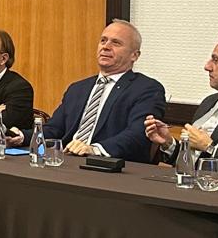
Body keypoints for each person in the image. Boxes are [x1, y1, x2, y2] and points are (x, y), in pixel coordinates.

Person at [42, 20, 165, 162]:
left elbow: (138, 134)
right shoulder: (77, 88)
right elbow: (54, 129)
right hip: (66, 160)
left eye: (116, 43)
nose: (106, 47)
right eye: (103, 40)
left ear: (134, 55)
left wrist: (94, 149)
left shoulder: (147, 89)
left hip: (108, 166)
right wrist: (22, 136)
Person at [143, 35, 218, 171]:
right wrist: (169, 143)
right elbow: (193, 160)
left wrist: (209, 146)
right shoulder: (209, 101)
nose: (207, 67)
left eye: (215, 60)